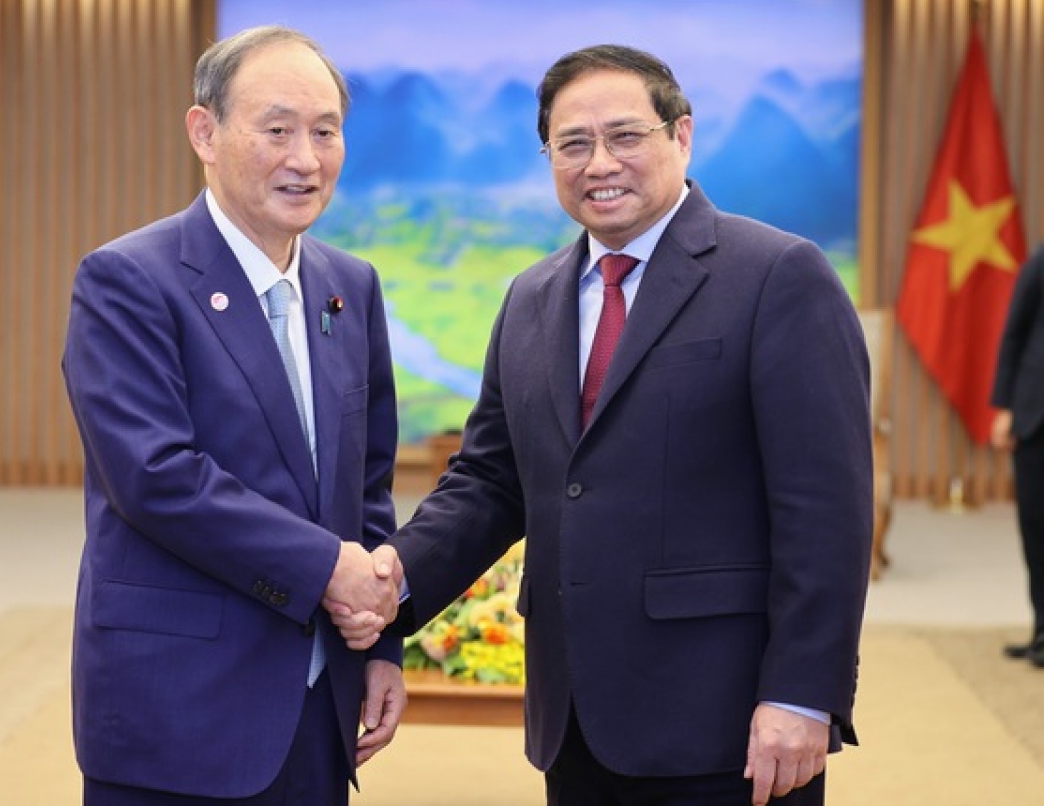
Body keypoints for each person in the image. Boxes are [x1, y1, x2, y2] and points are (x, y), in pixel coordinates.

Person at [334, 44, 873, 805]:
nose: (600, 164)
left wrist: (802, 694)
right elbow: (490, 481)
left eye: (625, 136)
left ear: (681, 136)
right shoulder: (531, 297)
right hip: (575, 719)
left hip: (728, 721)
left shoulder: (778, 275)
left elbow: (826, 509)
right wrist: (394, 580)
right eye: (573, 144)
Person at [62, 25, 405, 805]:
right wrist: (330, 570)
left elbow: (368, 488)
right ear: (204, 133)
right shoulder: (127, 280)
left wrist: (381, 642)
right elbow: (155, 476)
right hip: (178, 704)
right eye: (277, 130)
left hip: (318, 702)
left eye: (325, 132)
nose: (305, 159)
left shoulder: (350, 286)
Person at [991, 244, 1044, 668]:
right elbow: (1014, 335)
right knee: (1036, 529)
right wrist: (1005, 407)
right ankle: (1041, 628)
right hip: (1034, 418)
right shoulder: (1040, 261)